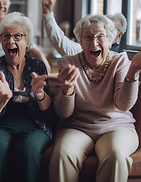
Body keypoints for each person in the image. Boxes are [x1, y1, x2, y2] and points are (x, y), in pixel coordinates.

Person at [49, 14, 141, 182]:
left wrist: (133, 72)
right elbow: (64, 113)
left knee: (116, 156)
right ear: (80, 41)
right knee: (63, 153)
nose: (94, 43)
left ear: (111, 39)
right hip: (76, 128)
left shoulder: (120, 61)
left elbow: (123, 105)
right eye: (88, 37)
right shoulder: (68, 63)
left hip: (116, 127)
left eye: (101, 37)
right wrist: (67, 90)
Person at [0, 12, 56, 182]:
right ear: (2, 42)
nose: (11, 41)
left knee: (29, 150)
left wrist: (40, 94)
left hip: (33, 123)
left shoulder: (37, 65)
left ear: (27, 42)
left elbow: (48, 114)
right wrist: (3, 98)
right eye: (6, 36)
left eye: (17, 36)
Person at [42, 0, 127, 56]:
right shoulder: (80, 52)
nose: (94, 43)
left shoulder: (118, 61)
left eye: (101, 35)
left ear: (119, 35)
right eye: (89, 37)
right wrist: (48, 14)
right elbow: (59, 40)